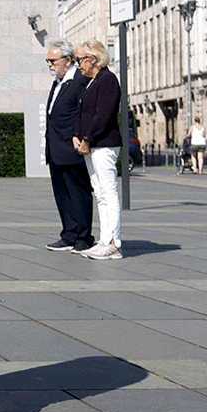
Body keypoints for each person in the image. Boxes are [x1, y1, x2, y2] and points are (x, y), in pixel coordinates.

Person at [71, 40, 123, 260]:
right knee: (100, 193)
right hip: (92, 145)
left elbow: (104, 115)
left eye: (79, 59)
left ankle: (113, 243)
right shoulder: (91, 82)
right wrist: (76, 135)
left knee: (108, 192)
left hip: (104, 144)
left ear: (93, 58)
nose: (77, 64)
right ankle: (104, 239)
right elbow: (82, 113)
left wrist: (87, 138)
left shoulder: (108, 79)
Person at [43, 40, 94, 253]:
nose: (49, 64)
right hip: (55, 149)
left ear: (68, 60)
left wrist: (81, 137)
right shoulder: (58, 81)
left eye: (53, 60)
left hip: (71, 148)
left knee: (79, 194)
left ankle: (83, 237)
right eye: (48, 60)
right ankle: (69, 234)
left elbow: (87, 112)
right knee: (62, 195)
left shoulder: (80, 80)